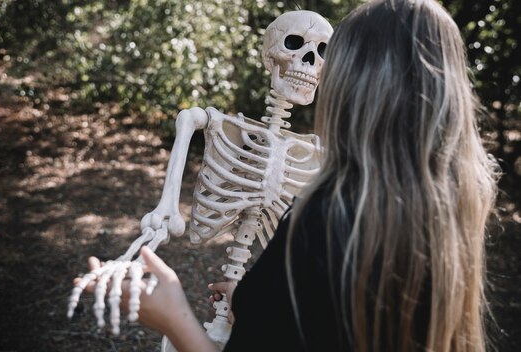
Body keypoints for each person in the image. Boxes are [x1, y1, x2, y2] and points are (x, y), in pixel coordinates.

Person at [74, 0, 498, 351]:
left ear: (351, 85)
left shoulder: (325, 217)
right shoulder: (449, 215)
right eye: (296, 47)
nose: (312, 65)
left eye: (327, 56)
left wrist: (173, 318)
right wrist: (264, 304)